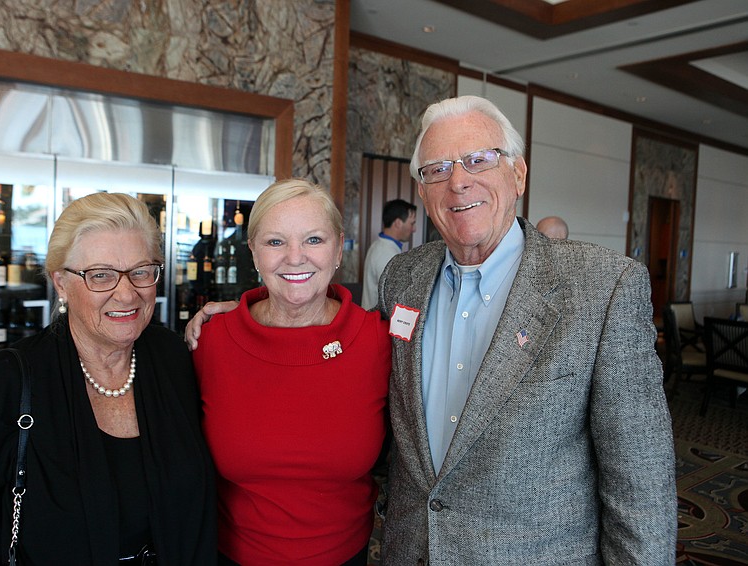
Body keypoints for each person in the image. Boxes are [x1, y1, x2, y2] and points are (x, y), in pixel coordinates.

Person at [187, 96, 677, 565]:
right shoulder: (406, 278)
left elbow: (642, 484)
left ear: (519, 173)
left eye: (479, 160)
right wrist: (251, 312)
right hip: (409, 551)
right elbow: (323, 341)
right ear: (422, 192)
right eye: (437, 170)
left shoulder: (601, 287)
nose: (458, 183)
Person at [0, 193, 217, 565]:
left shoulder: (171, 358)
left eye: (141, 271)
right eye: (100, 275)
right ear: (61, 283)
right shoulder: (4, 384)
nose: (126, 294)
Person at [191, 178, 390, 565]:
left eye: (314, 240)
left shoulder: (378, 341)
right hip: (229, 556)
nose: (295, 257)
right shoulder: (211, 342)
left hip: (347, 556)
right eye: (275, 242)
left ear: (338, 248)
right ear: (253, 253)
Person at [361, 198, 417, 309]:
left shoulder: (380, 246)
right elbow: (393, 298)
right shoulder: (386, 253)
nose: (414, 229)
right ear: (398, 223)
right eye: (412, 223)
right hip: (378, 322)